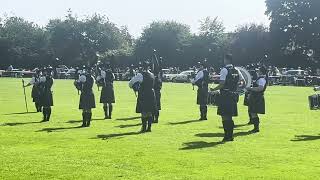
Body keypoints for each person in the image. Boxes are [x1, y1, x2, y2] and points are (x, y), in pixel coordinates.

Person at [211, 54, 244, 142]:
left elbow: (222, 84)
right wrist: (236, 88)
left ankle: (227, 136)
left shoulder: (224, 70)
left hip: (225, 95)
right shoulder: (237, 70)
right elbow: (243, 82)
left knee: (225, 116)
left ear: (226, 60)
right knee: (230, 116)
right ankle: (231, 136)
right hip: (233, 95)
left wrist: (213, 89)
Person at [129, 61, 156, 133]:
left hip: (143, 94)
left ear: (142, 67)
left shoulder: (140, 75)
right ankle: (149, 128)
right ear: (148, 67)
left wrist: (134, 86)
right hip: (151, 93)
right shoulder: (152, 74)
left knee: (144, 111)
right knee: (149, 111)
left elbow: (130, 84)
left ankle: (144, 128)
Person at [246, 66, 268, 133]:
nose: (257, 71)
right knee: (253, 112)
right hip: (255, 97)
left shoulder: (261, 79)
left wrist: (250, 89)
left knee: (253, 112)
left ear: (261, 71)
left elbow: (260, 88)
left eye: (258, 70)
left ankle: (256, 128)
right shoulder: (260, 78)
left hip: (257, 97)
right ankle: (256, 128)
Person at [152, 56, 163, 123]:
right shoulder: (159, 77)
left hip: (155, 92)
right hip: (157, 92)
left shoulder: (156, 78)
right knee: (156, 106)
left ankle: (155, 119)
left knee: (155, 106)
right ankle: (155, 119)